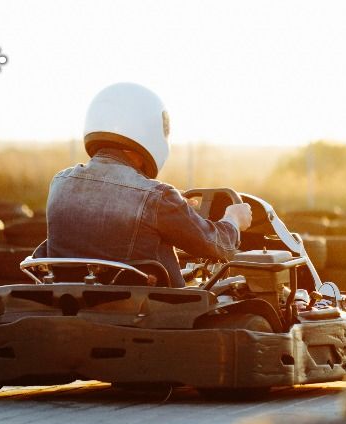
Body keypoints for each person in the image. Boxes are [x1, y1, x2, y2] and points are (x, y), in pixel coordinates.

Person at [31, 83, 252, 287]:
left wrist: (172, 205)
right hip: (152, 314)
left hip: (71, 306)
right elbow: (217, 247)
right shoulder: (157, 197)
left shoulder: (60, 184)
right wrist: (233, 218)